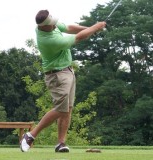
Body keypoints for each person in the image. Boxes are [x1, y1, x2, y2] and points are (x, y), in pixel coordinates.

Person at [20, 9, 106, 153]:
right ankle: (30, 135)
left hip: (68, 71)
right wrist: (95, 28)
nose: (55, 26)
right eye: (52, 25)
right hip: (57, 75)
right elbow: (78, 38)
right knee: (61, 109)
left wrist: (90, 29)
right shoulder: (50, 40)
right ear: (44, 27)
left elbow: (69, 28)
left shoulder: (48, 25)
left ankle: (61, 143)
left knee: (68, 109)